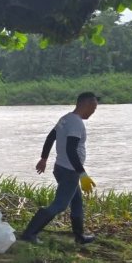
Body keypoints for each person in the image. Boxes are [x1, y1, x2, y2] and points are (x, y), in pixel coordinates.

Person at [19, 92, 99, 245]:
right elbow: (71, 149)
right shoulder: (76, 123)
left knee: (76, 202)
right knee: (60, 204)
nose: (93, 112)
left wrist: (43, 158)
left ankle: (79, 236)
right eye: (93, 108)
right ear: (86, 104)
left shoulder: (65, 119)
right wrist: (82, 174)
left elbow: (51, 137)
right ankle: (29, 234)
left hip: (60, 168)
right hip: (70, 171)